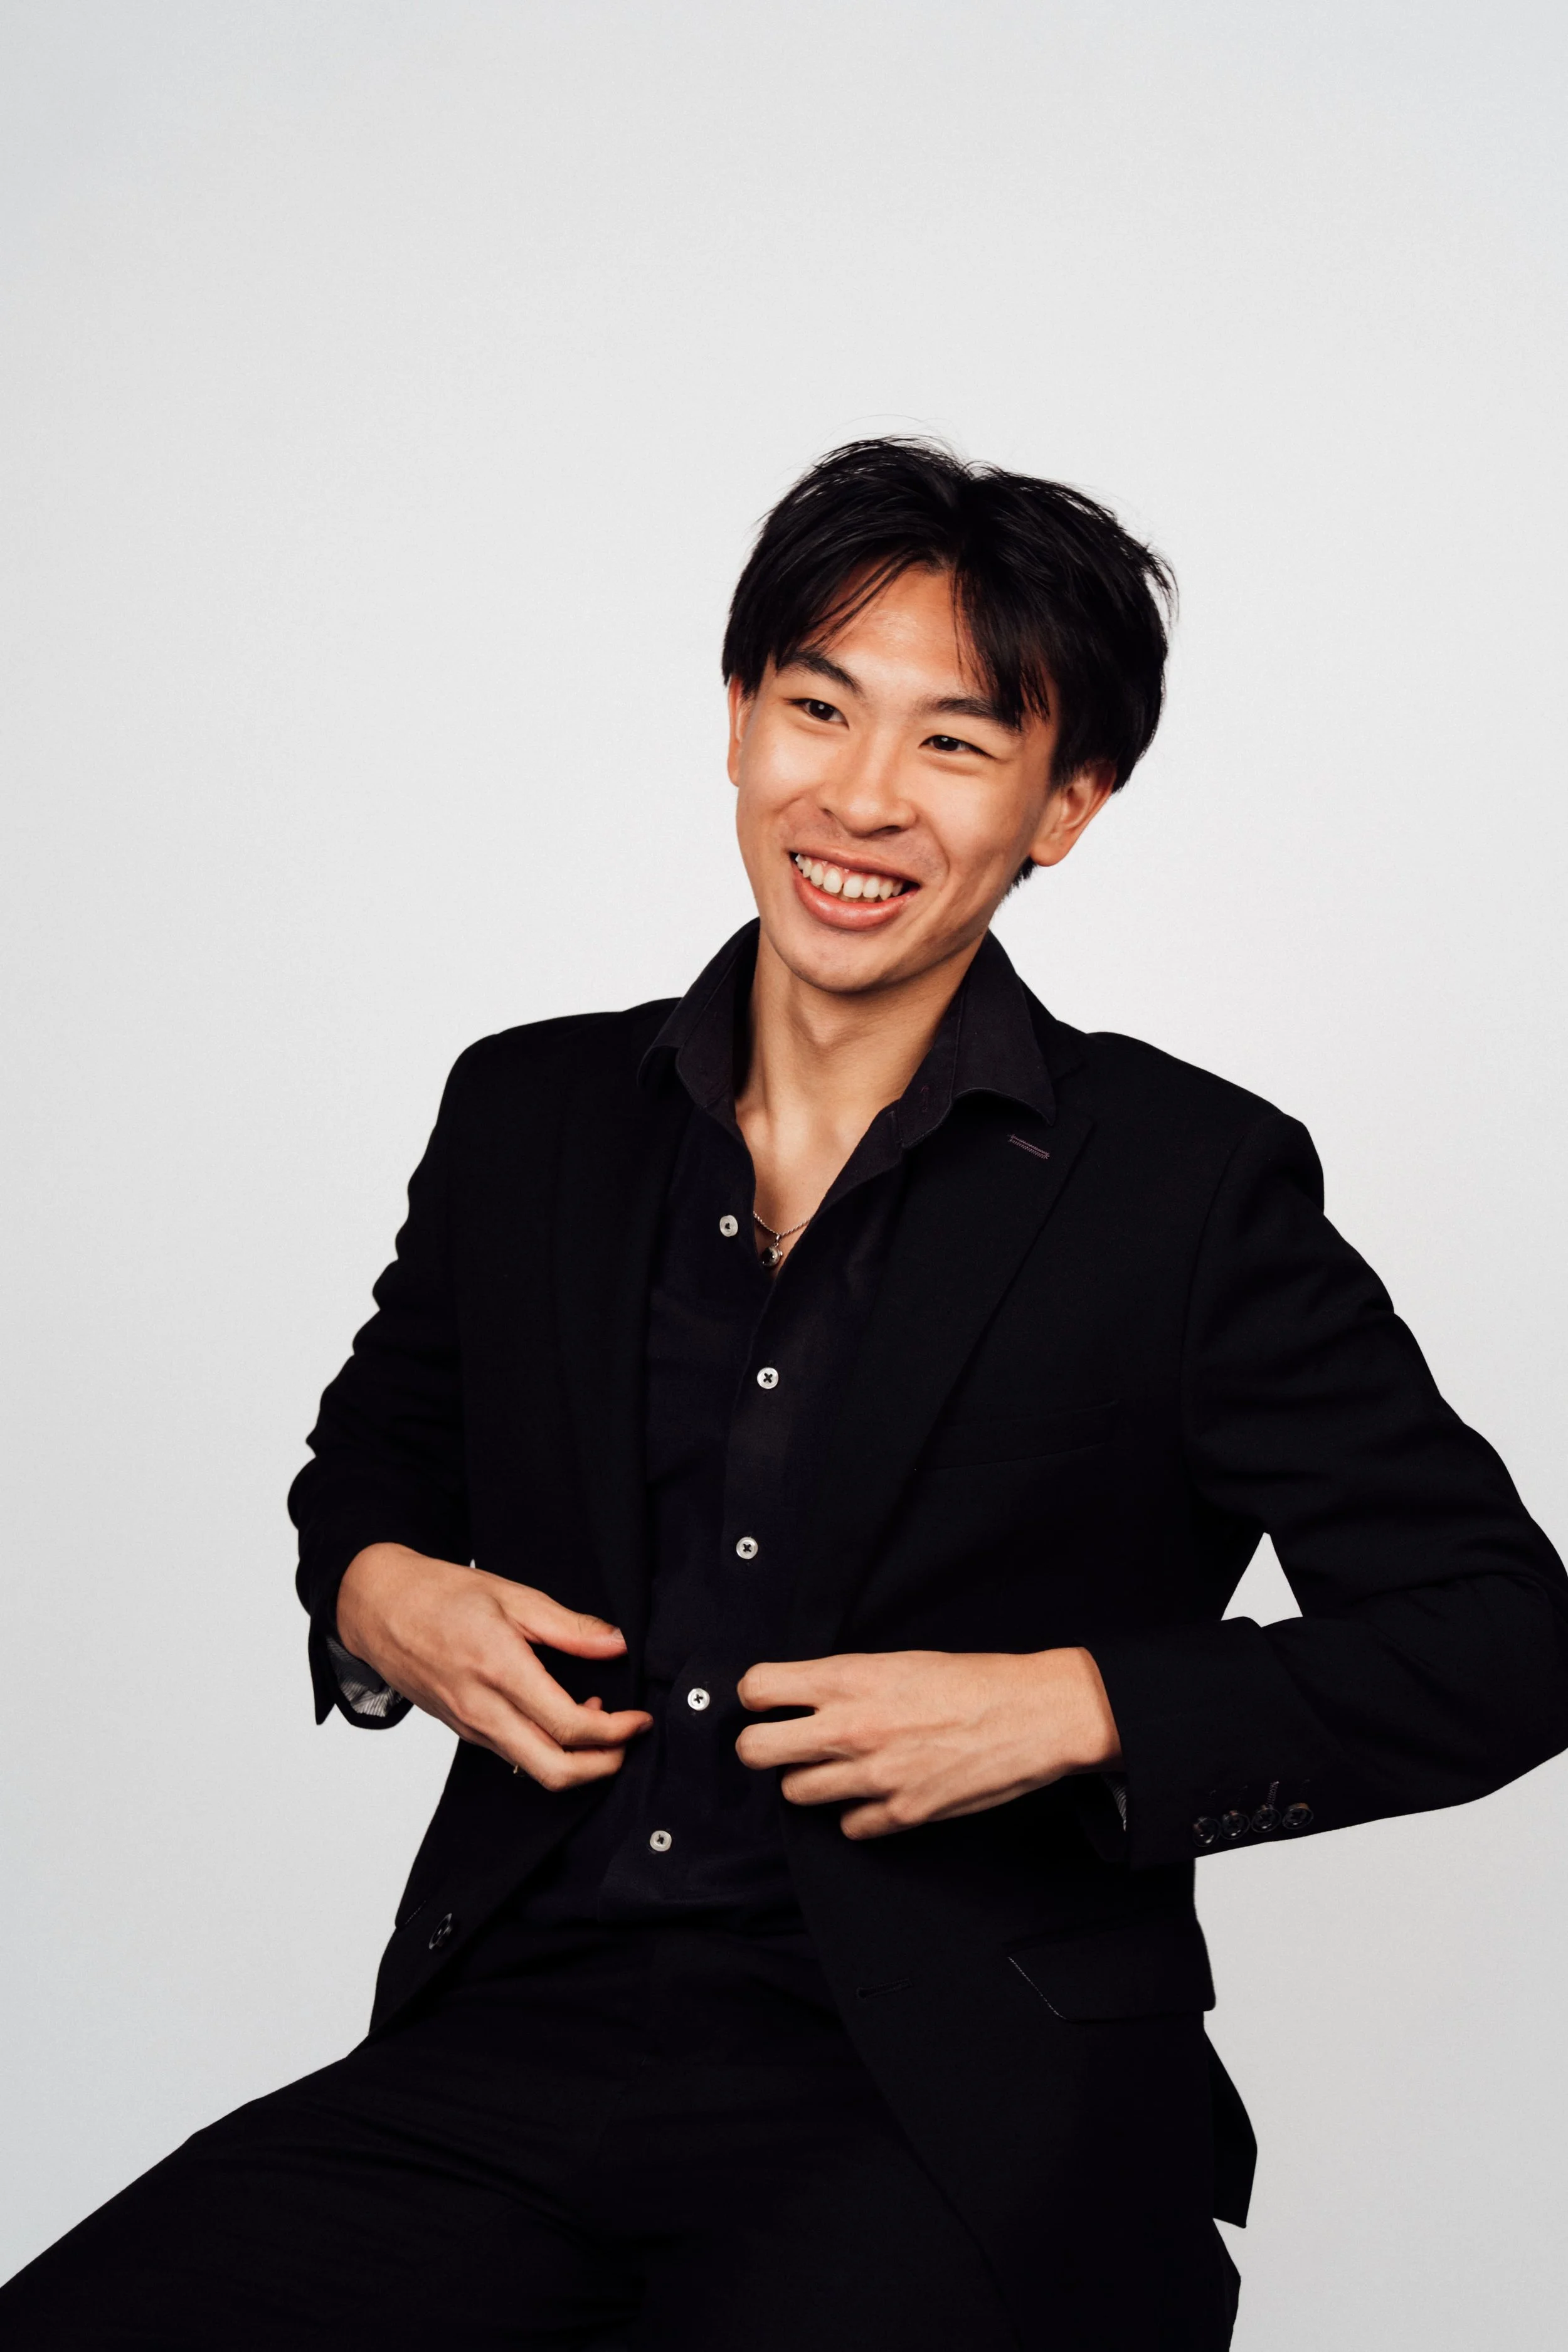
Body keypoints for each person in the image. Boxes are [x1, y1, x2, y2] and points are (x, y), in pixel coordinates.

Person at [5, 438, 1565, 2352]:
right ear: (738, 721)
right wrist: (371, 1590)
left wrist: (1073, 1707)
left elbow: (1501, 1636)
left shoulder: (1185, 1184)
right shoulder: (527, 1113)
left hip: (947, 2095)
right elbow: (377, 1453)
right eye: (817, 707)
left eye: (955, 743)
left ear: (1063, 806)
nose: (859, 796)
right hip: (519, 2030)